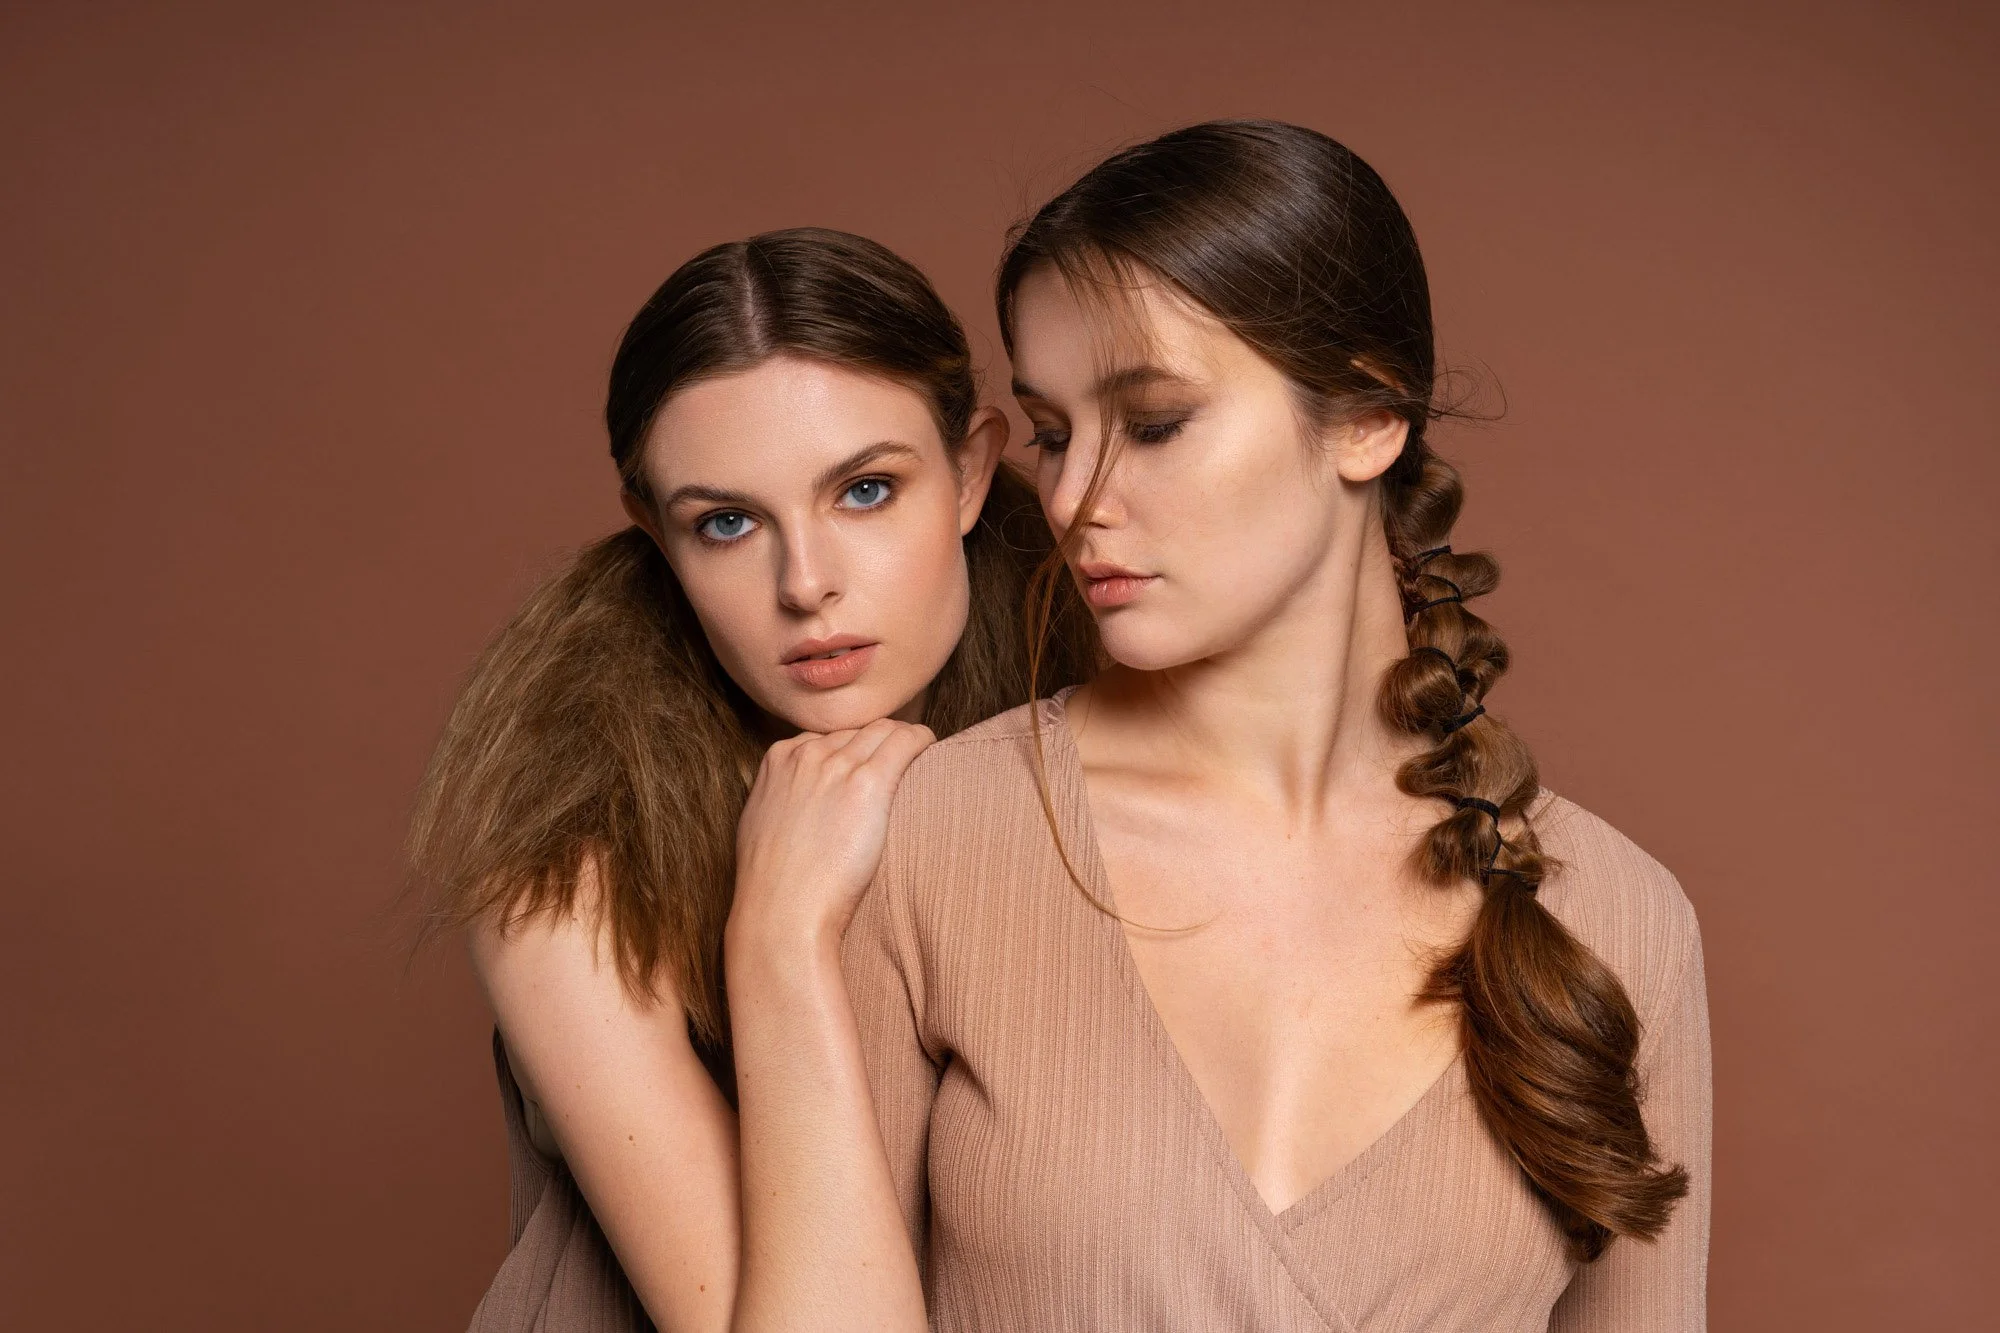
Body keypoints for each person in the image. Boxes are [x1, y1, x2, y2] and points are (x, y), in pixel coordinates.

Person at [830, 120, 1711, 1330]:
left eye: (1150, 422)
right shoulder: (933, 838)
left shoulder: (1619, 918)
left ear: (1364, 416)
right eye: (1051, 433)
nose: (1077, 498)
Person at [407, 227, 1093, 1330]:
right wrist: (776, 932)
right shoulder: (573, 854)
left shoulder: (1103, 721)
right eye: (726, 523)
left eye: (864, 491)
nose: (805, 583)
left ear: (970, 471)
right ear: (656, 535)